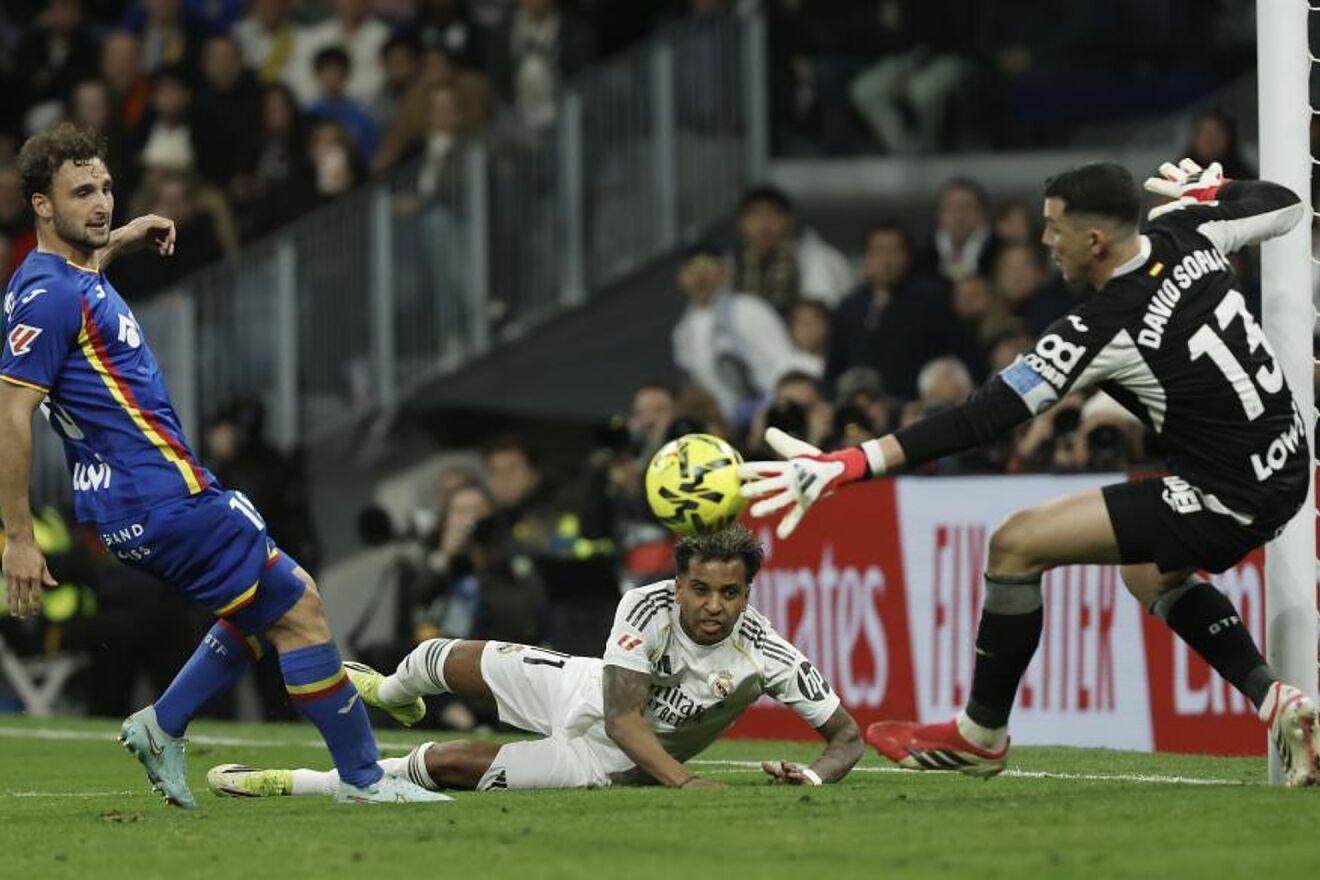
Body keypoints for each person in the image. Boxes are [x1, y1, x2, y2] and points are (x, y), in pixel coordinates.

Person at [738, 159, 1320, 786]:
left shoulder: (1102, 326)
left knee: (1015, 544)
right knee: (1148, 573)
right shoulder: (1190, 232)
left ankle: (981, 734)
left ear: (1093, 240)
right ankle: (1276, 701)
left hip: (1232, 493)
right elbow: (1286, 205)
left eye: (1054, 229)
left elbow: (982, 417)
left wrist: (852, 461)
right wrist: (1216, 192)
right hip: (1284, 462)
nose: (1045, 243)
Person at [0, 123, 444, 805]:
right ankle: (363, 779)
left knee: (260, 606)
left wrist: (128, 233)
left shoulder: (58, 275)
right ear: (40, 204)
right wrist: (20, 540)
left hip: (146, 496)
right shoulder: (51, 295)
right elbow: (10, 415)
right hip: (155, 498)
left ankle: (164, 723)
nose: (101, 203)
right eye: (81, 191)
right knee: (299, 607)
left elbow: (81, 271)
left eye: (107, 188)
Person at [203, 524, 864, 795]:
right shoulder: (644, 606)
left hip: (598, 764)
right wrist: (690, 785)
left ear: (748, 593)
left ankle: (297, 781)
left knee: (444, 762)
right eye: (700, 589)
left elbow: (845, 738)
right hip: (585, 692)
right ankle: (389, 693)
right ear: (678, 583)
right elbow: (627, 716)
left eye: (730, 592)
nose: (713, 605)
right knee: (443, 654)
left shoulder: (766, 653)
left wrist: (812, 777)